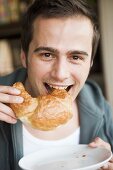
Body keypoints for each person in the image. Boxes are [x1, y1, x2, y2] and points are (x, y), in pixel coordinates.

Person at [0, 0, 113, 169]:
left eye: (75, 57)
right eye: (47, 54)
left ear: (89, 63)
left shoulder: (102, 109)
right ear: (24, 57)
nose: (60, 74)